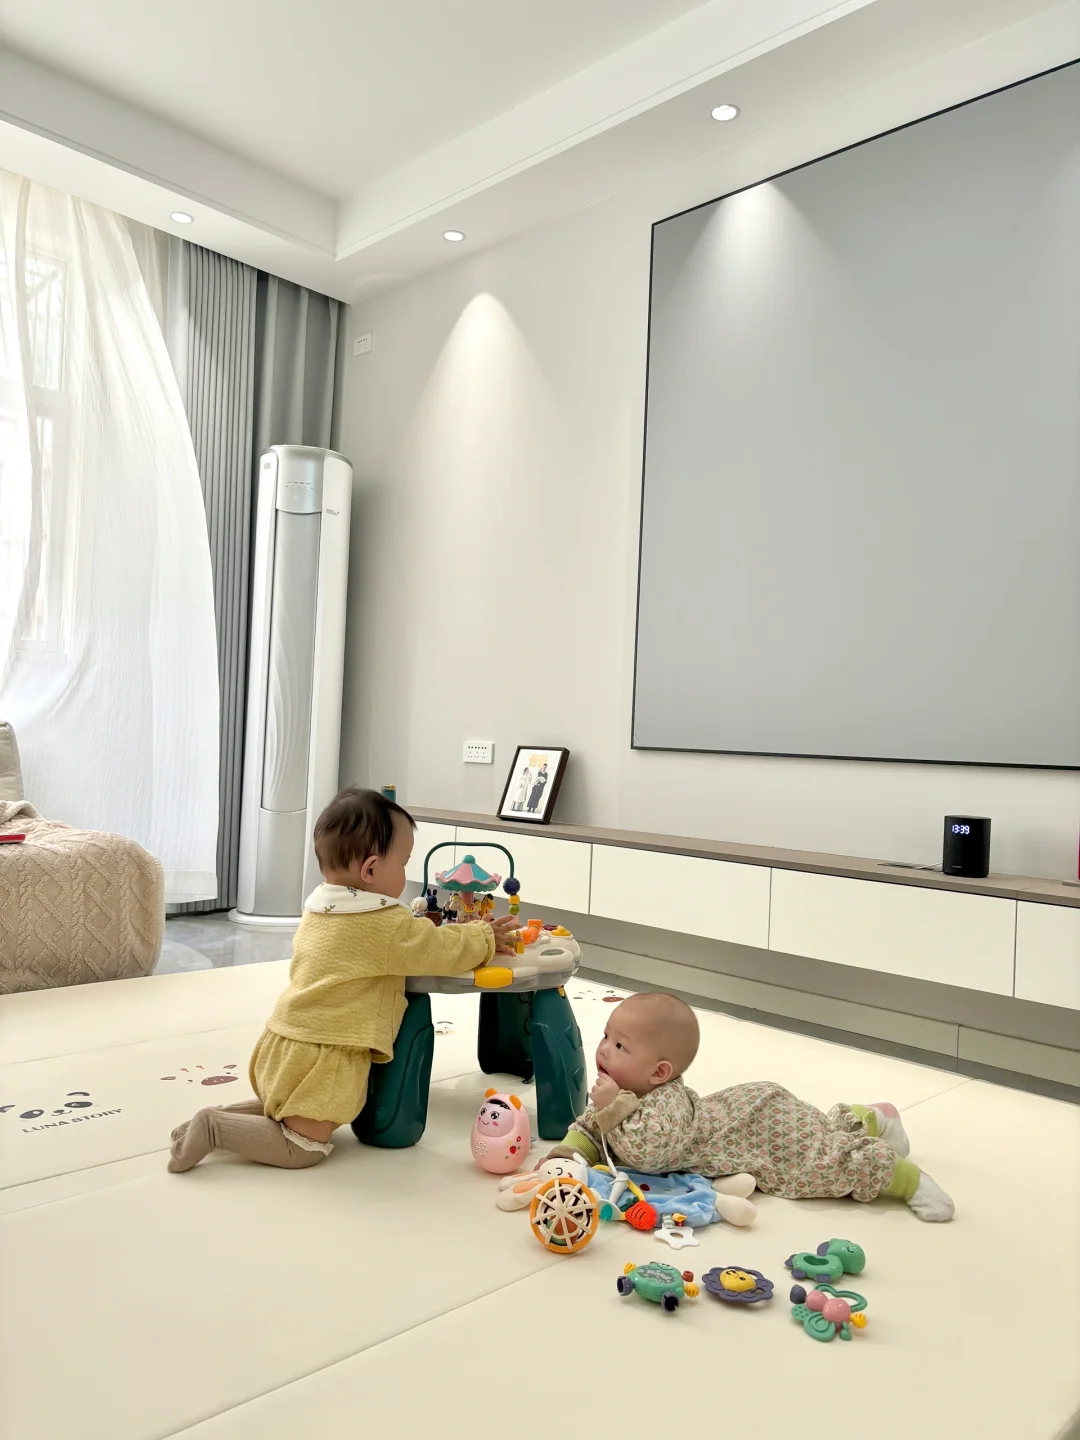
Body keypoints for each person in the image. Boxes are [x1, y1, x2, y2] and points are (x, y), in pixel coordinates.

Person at [168, 788, 519, 1172]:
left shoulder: (321, 908)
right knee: (302, 1145)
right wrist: (484, 936)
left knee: (284, 1111)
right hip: (325, 1054)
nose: (405, 875)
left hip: (282, 1040)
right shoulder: (385, 924)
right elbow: (437, 949)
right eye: (403, 864)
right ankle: (214, 1128)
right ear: (371, 870)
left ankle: (216, 1118)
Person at [544, 991, 955, 1222]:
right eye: (606, 1036)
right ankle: (870, 1118)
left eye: (620, 1046)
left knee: (820, 1163)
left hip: (762, 1126)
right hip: (743, 1106)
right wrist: (568, 1154)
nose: (603, 1049)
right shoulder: (621, 1091)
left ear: (660, 1072)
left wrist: (613, 1108)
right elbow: (591, 1126)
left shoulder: (666, 1102)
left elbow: (650, 1155)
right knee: (822, 1132)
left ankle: (905, 1179)